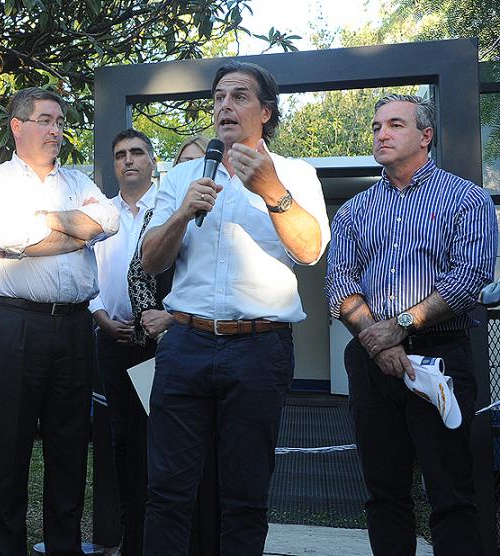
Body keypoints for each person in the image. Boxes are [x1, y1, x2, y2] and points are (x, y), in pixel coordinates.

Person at [139, 61, 330, 555]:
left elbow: (310, 250)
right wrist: (181, 212)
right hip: (185, 343)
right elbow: (151, 260)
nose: (225, 105)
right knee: (167, 491)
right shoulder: (181, 175)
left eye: (239, 96)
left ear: (265, 112)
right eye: (219, 96)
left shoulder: (295, 174)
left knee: (245, 496)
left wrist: (271, 191)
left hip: (259, 348)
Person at [325, 94, 496, 556]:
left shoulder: (467, 198)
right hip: (370, 363)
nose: (381, 133)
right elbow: (339, 279)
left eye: (395, 124)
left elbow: (468, 276)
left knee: (452, 494)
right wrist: (377, 344)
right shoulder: (355, 209)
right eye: (377, 126)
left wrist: (397, 328)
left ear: (425, 135)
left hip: (441, 356)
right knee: (383, 493)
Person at [0, 87, 119, 555]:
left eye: (60, 121)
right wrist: (76, 234)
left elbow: (108, 220)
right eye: (46, 120)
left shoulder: (78, 181)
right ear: (18, 126)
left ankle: (63, 548)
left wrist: (45, 220)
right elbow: (4, 234)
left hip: (74, 328)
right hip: (13, 325)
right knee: (6, 451)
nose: (56, 130)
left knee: (70, 449)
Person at [90, 128, 172, 553]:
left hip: (163, 344)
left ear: (153, 161)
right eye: (120, 154)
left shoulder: (170, 207)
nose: (129, 161)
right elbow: (87, 274)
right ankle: (129, 539)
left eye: (137, 152)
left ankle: (161, 537)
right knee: (120, 441)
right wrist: (100, 317)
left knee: (160, 440)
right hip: (112, 339)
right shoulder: (101, 214)